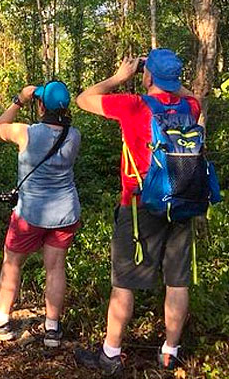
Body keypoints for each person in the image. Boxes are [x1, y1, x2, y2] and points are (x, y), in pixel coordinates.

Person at [73, 49, 200, 375]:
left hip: (140, 206)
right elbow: (191, 94)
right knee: (177, 282)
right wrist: (167, 77)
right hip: (184, 203)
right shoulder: (191, 106)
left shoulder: (134, 105)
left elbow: (84, 99)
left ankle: (111, 355)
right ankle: (170, 352)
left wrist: (120, 76)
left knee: (125, 283)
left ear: (147, 77)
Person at [0, 81, 82, 348]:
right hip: (66, 213)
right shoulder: (74, 135)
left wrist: (19, 99)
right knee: (56, 267)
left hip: (30, 214)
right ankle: (52, 330)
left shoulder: (27, 133)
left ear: (40, 105)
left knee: (12, 263)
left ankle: (2, 322)